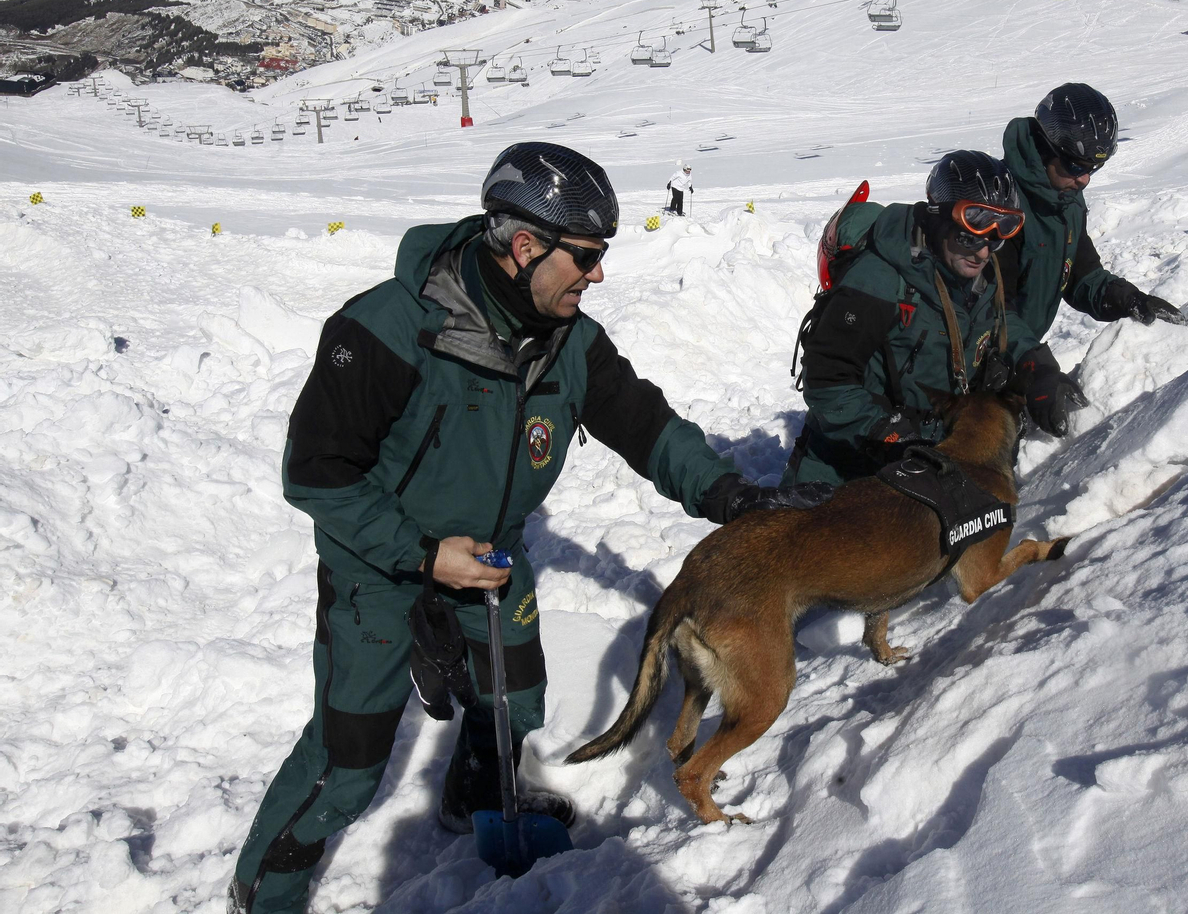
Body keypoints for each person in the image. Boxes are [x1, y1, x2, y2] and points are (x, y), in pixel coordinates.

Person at [230, 142, 831, 914]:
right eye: (585, 256)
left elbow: (646, 426)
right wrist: (420, 555)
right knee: (345, 766)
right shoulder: (385, 329)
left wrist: (731, 495)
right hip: (375, 563)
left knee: (513, 696)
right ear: (523, 247)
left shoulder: (569, 343)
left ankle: (473, 797)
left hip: (488, 557)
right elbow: (314, 474)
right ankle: (262, 891)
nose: (599, 274)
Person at [784, 150, 1023, 486]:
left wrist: (1028, 365)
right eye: (971, 234)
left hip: (927, 461)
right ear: (939, 218)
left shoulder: (981, 278)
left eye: (998, 236)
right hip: (845, 468)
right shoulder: (878, 279)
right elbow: (826, 378)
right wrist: (888, 434)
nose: (983, 252)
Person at [1000, 82, 1182, 438]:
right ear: (1043, 147)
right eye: (1074, 166)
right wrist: (1035, 365)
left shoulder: (1065, 201)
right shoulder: (999, 204)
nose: (1083, 179)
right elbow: (987, 315)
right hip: (965, 375)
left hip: (1016, 361)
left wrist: (1127, 298)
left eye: (1092, 169)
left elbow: (1081, 275)